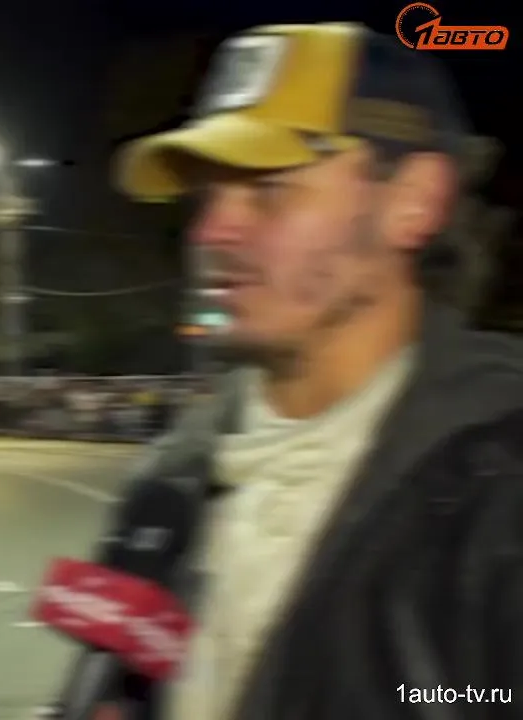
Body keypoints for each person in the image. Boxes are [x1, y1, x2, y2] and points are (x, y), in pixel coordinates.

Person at [57, 22, 523, 720]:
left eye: (268, 188)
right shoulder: (167, 485)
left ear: (413, 201)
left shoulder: (502, 491)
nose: (211, 232)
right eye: (207, 195)